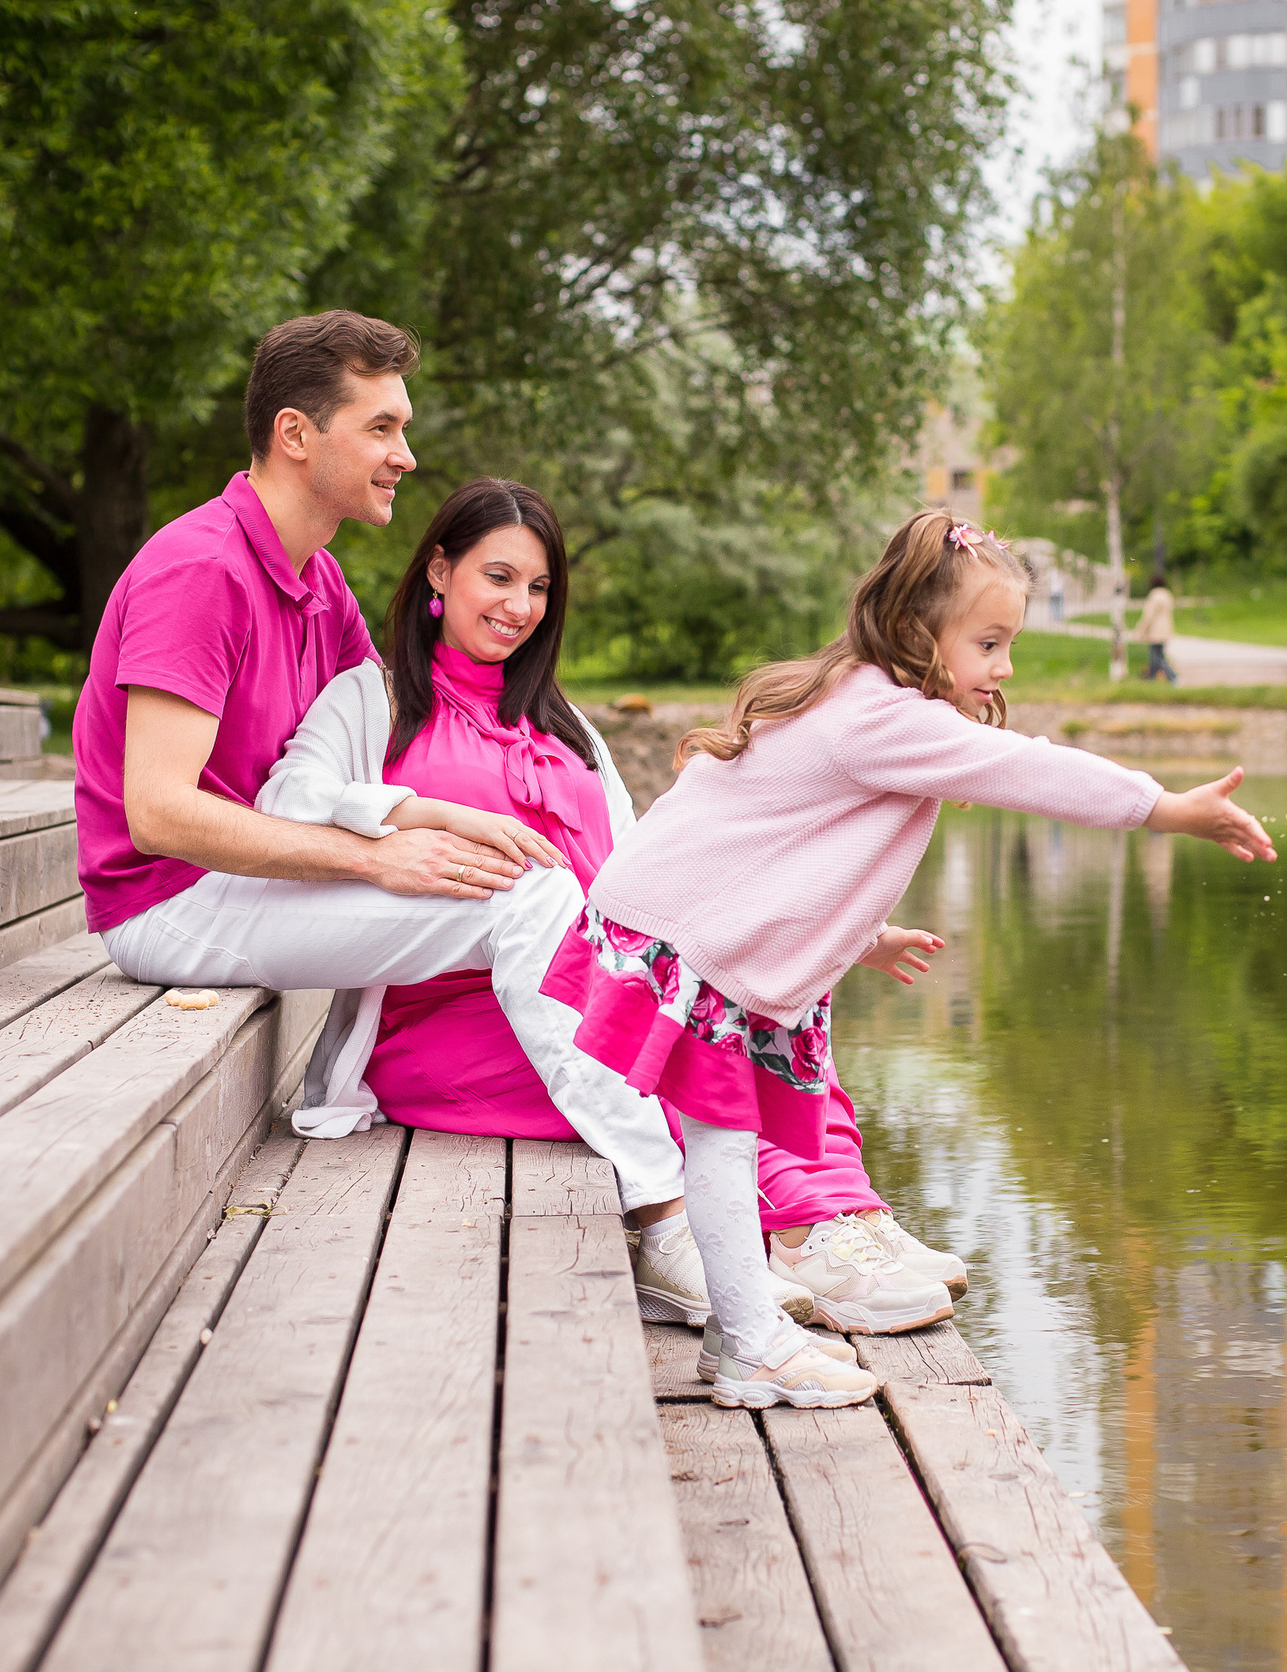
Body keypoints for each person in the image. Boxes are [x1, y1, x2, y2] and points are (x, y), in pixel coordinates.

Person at [544, 510, 1280, 1409]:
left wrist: (858, 936)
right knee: (724, 1135)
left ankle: (745, 1336)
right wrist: (1161, 807)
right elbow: (1030, 769)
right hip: (684, 940)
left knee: (721, 1134)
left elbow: (780, 853)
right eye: (990, 642)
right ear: (917, 632)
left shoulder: (863, 700)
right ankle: (748, 1344)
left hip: (683, 924)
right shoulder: (882, 716)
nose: (1004, 667)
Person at [69, 309, 695, 1308]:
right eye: (382, 427)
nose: (405, 455)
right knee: (519, 904)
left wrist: (431, 821)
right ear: (295, 434)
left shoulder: (316, 585)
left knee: (521, 885)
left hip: (240, 884)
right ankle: (663, 1210)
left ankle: (682, 1193)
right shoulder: (200, 570)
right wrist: (371, 858)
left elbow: (353, 768)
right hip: (169, 904)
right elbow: (157, 815)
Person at [256, 477, 962, 1341]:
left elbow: (658, 875)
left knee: (755, 998)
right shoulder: (375, 702)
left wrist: (845, 933)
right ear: (438, 572)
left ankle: (841, 1213)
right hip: (453, 1028)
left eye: (540, 587)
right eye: (498, 576)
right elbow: (290, 800)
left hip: (588, 999)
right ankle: (807, 1233)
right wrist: (418, 817)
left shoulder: (569, 730)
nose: (520, 606)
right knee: (686, 1057)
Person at [1137, 570, 1179, 684]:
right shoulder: (1167, 594)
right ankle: (1151, 680)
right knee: (1156, 657)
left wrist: (1141, 630)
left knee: (1157, 658)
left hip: (1155, 630)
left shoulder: (1154, 596)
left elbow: (1148, 615)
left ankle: (1173, 677)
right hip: (1165, 629)